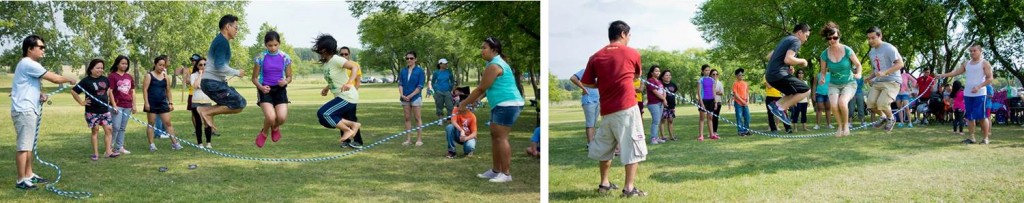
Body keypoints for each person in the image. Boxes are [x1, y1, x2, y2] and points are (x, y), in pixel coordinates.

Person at [579, 21, 647, 197]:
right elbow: (637, 75)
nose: (629, 39)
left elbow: (585, 82)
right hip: (627, 107)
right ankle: (629, 189)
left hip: (607, 110)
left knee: (605, 148)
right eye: (629, 35)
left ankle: (604, 184)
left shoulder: (596, 56)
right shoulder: (632, 53)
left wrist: (603, 83)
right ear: (623, 34)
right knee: (632, 147)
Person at [10, 35, 76, 189]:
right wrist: (69, 79)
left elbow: (26, 85)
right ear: (30, 49)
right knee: (23, 146)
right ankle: (21, 180)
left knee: (29, 145)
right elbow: (54, 78)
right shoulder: (29, 63)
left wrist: (39, 95)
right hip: (24, 110)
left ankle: (29, 175)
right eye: (41, 47)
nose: (43, 50)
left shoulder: (27, 65)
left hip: (29, 108)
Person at [458, 36, 525, 184]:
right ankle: (495, 170)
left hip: (508, 104)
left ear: (494, 50)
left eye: (484, 48)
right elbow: (488, 88)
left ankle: (506, 174)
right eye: (481, 48)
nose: (481, 51)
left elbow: (481, 87)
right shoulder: (494, 63)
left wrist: (464, 104)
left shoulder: (495, 65)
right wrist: (478, 99)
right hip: (501, 104)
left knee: (501, 138)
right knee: (495, 137)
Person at [197, 14, 247, 134]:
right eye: (236, 27)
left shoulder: (221, 40)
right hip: (212, 83)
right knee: (238, 103)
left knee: (240, 103)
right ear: (227, 27)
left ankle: (205, 111)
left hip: (213, 83)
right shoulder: (222, 42)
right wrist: (237, 72)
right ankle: (206, 112)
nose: (237, 31)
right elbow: (219, 66)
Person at [936, 44, 994, 144]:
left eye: (974, 51)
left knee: (982, 116)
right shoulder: (967, 63)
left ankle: (985, 138)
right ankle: (972, 138)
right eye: (970, 51)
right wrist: (942, 75)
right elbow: (955, 72)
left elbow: (990, 78)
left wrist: (979, 87)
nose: (972, 53)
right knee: (969, 116)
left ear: (980, 51)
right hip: (968, 94)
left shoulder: (985, 63)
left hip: (980, 94)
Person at [313, 34, 363, 147]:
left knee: (323, 113)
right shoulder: (327, 63)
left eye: (321, 48)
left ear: (326, 49)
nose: (319, 50)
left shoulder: (337, 59)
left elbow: (355, 67)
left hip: (348, 96)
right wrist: (327, 88)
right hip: (340, 96)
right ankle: (353, 126)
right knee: (323, 119)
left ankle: (348, 130)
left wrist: (349, 82)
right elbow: (334, 79)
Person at [817, 22, 864, 137]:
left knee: (842, 103)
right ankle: (839, 126)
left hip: (849, 83)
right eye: (830, 38)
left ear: (839, 37)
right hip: (833, 84)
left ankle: (846, 125)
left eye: (835, 37)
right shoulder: (824, 54)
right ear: (827, 38)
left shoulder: (847, 50)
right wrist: (822, 78)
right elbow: (823, 71)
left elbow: (858, 65)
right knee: (833, 105)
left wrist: (858, 74)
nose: (832, 40)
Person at [765, 23, 813, 125]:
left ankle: (776, 105)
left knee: (794, 92)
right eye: (806, 36)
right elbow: (788, 59)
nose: (806, 39)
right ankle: (781, 108)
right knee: (806, 90)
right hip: (778, 74)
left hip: (770, 75)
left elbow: (769, 56)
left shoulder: (785, 40)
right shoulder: (796, 41)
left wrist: (787, 67)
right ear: (800, 33)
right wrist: (802, 61)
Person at [251, 31, 293, 148]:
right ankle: (264, 132)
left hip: (280, 89)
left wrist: (285, 81)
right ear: (266, 45)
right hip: (265, 89)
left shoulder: (285, 57)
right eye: (270, 45)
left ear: (279, 43)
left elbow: (289, 77)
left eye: (275, 45)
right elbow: (254, 78)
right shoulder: (260, 57)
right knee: (270, 117)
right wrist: (261, 87)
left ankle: (275, 127)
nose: (273, 48)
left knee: (282, 118)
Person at [71, 59, 118, 160]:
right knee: (95, 131)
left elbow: (109, 92)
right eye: (97, 68)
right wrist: (81, 102)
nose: (100, 70)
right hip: (92, 111)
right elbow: (74, 91)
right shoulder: (86, 81)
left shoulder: (105, 79)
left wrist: (113, 104)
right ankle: (95, 154)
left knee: (109, 130)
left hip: (105, 110)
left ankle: (108, 152)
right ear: (91, 69)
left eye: (101, 68)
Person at [864, 26, 905, 132]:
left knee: (882, 103)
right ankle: (883, 117)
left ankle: (891, 119)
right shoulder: (871, 52)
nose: (870, 40)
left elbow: (900, 64)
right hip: (878, 82)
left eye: (873, 38)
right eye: (868, 38)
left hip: (892, 81)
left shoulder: (889, 48)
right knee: (870, 104)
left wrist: (885, 72)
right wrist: (869, 77)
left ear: (880, 36)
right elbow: (876, 69)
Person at [143, 55, 184, 152]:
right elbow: (145, 90)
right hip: (152, 103)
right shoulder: (149, 75)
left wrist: (170, 103)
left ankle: (175, 143)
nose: (162, 67)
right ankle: (152, 144)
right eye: (160, 65)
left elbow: (168, 91)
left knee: (168, 123)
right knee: (151, 124)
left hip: (163, 103)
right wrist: (146, 103)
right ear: (155, 64)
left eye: (163, 65)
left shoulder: (166, 76)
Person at [338, 46, 365, 149]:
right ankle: (345, 140)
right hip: (340, 96)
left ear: (349, 54)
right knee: (341, 119)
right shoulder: (339, 66)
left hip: (351, 97)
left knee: (352, 118)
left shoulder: (355, 65)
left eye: (346, 54)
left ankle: (358, 141)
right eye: (342, 54)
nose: (344, 56)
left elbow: (358, 81)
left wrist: (355, 92)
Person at [108, 55, 135, 155]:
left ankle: (119, 147)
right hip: (117, 105)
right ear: (117, 64)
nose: (124, 65)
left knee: (122, 127)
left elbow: (132, 91)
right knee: (115, 126)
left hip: (127, 105)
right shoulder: (112, 76)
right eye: (122, 63)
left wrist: (134, 105)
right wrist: (114, 104)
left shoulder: (129, 76)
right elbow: (110, 91)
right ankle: (109, 147)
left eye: (126, 64)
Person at [399, 51, 426, 146]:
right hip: (404, 98)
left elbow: (420, 86)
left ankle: (419, 139)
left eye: (411, 58)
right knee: (407, 118)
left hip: (415, 98)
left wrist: (410, 95)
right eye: (407, 58)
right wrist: (402, 95)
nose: (409, 60)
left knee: (417, 118)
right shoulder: (403, 71)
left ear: (415, 59)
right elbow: (400, 84)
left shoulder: (420, 71)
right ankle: (408, 139)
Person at [188, 55, 214, 148]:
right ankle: (199, 143)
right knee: (198, 123)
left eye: (205, 64)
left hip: (207, 102)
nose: (203, 66)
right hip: (196, 102)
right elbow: (195, 85)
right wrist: (200, 75)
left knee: (207, 122)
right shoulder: (193, 75)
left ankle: (209, 143)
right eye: (200, 65)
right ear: (197, 66)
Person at [570, 68, 600, 146]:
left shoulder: (600, 71)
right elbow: (573, 78)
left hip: (598, 100)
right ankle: (590, 144)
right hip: (589, 100)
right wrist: (583, 88)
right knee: (590, 123)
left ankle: (593, 143)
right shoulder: (585, 71)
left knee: (594, 123)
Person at [644, 65, 666, 144]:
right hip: (654, 104)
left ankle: (656, 137)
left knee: (658, 121)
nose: (658, 72)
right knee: (656, 121)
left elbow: (663, 91)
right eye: (656, 71)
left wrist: (664, 99)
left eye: (659, 71)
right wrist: (664, 99)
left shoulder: (659, 81)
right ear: (652, 72)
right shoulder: (650, 81)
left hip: (660, 103)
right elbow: (655, 92)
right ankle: (653, 138)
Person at [697, 65, 718, 140]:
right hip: (703, 101)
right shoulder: (700, 80)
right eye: (706, 70)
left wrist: (715, 102)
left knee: (710, 118)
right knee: (702, 118)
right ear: (702, 71)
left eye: (709, 70)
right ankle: (701, 135)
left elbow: (714, 91)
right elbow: (699, 92)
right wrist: (701, 103)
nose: (708, 72)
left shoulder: (712, 80)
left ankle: (712, 134)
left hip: (711, 101)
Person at [732, 68, 752, 136]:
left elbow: (747, 93)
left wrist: (747, 100)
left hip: (745, 103)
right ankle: (740, 131)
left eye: (742, 75)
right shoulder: (735, 83)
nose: (741, 76)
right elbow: (735, 94)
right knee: (739, 117)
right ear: (736, 76)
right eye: (740, 75)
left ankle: (746, 130)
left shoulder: (746, 83)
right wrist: (742, 101)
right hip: (738, 103)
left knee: (747, 117)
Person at [660, 70, 678, 141]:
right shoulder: (660, 85)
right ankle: (663, 136)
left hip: (671, 106)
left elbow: (674, 94)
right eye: (666, 75)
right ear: (662, 77)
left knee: (670, 120)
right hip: (663, 106)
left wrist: (674, 106)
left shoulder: (673, 85)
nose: (668, 76)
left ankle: (671, 136)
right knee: (663, 120)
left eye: (669, 75)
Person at [712, 69, 725, 136]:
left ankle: (715, 132)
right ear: (711, 75)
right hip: (710, 102)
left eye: (716, 74)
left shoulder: (720, 83)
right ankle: (711, 132)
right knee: (710, 117)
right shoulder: (709, 82)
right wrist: (716, 92)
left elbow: (722, 92)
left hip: (718, 102)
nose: (715, 75)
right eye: (713, 74)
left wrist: (714, 92)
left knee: (716, 117)